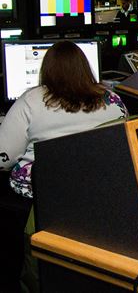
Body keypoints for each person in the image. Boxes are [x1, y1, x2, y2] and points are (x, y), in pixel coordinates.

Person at [0, 41, 128, 198]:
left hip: (49, 193)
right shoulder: (113, 99)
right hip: (103, 185)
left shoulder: (30, 100)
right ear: (85, 68)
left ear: (46, 69)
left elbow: (3, 159)